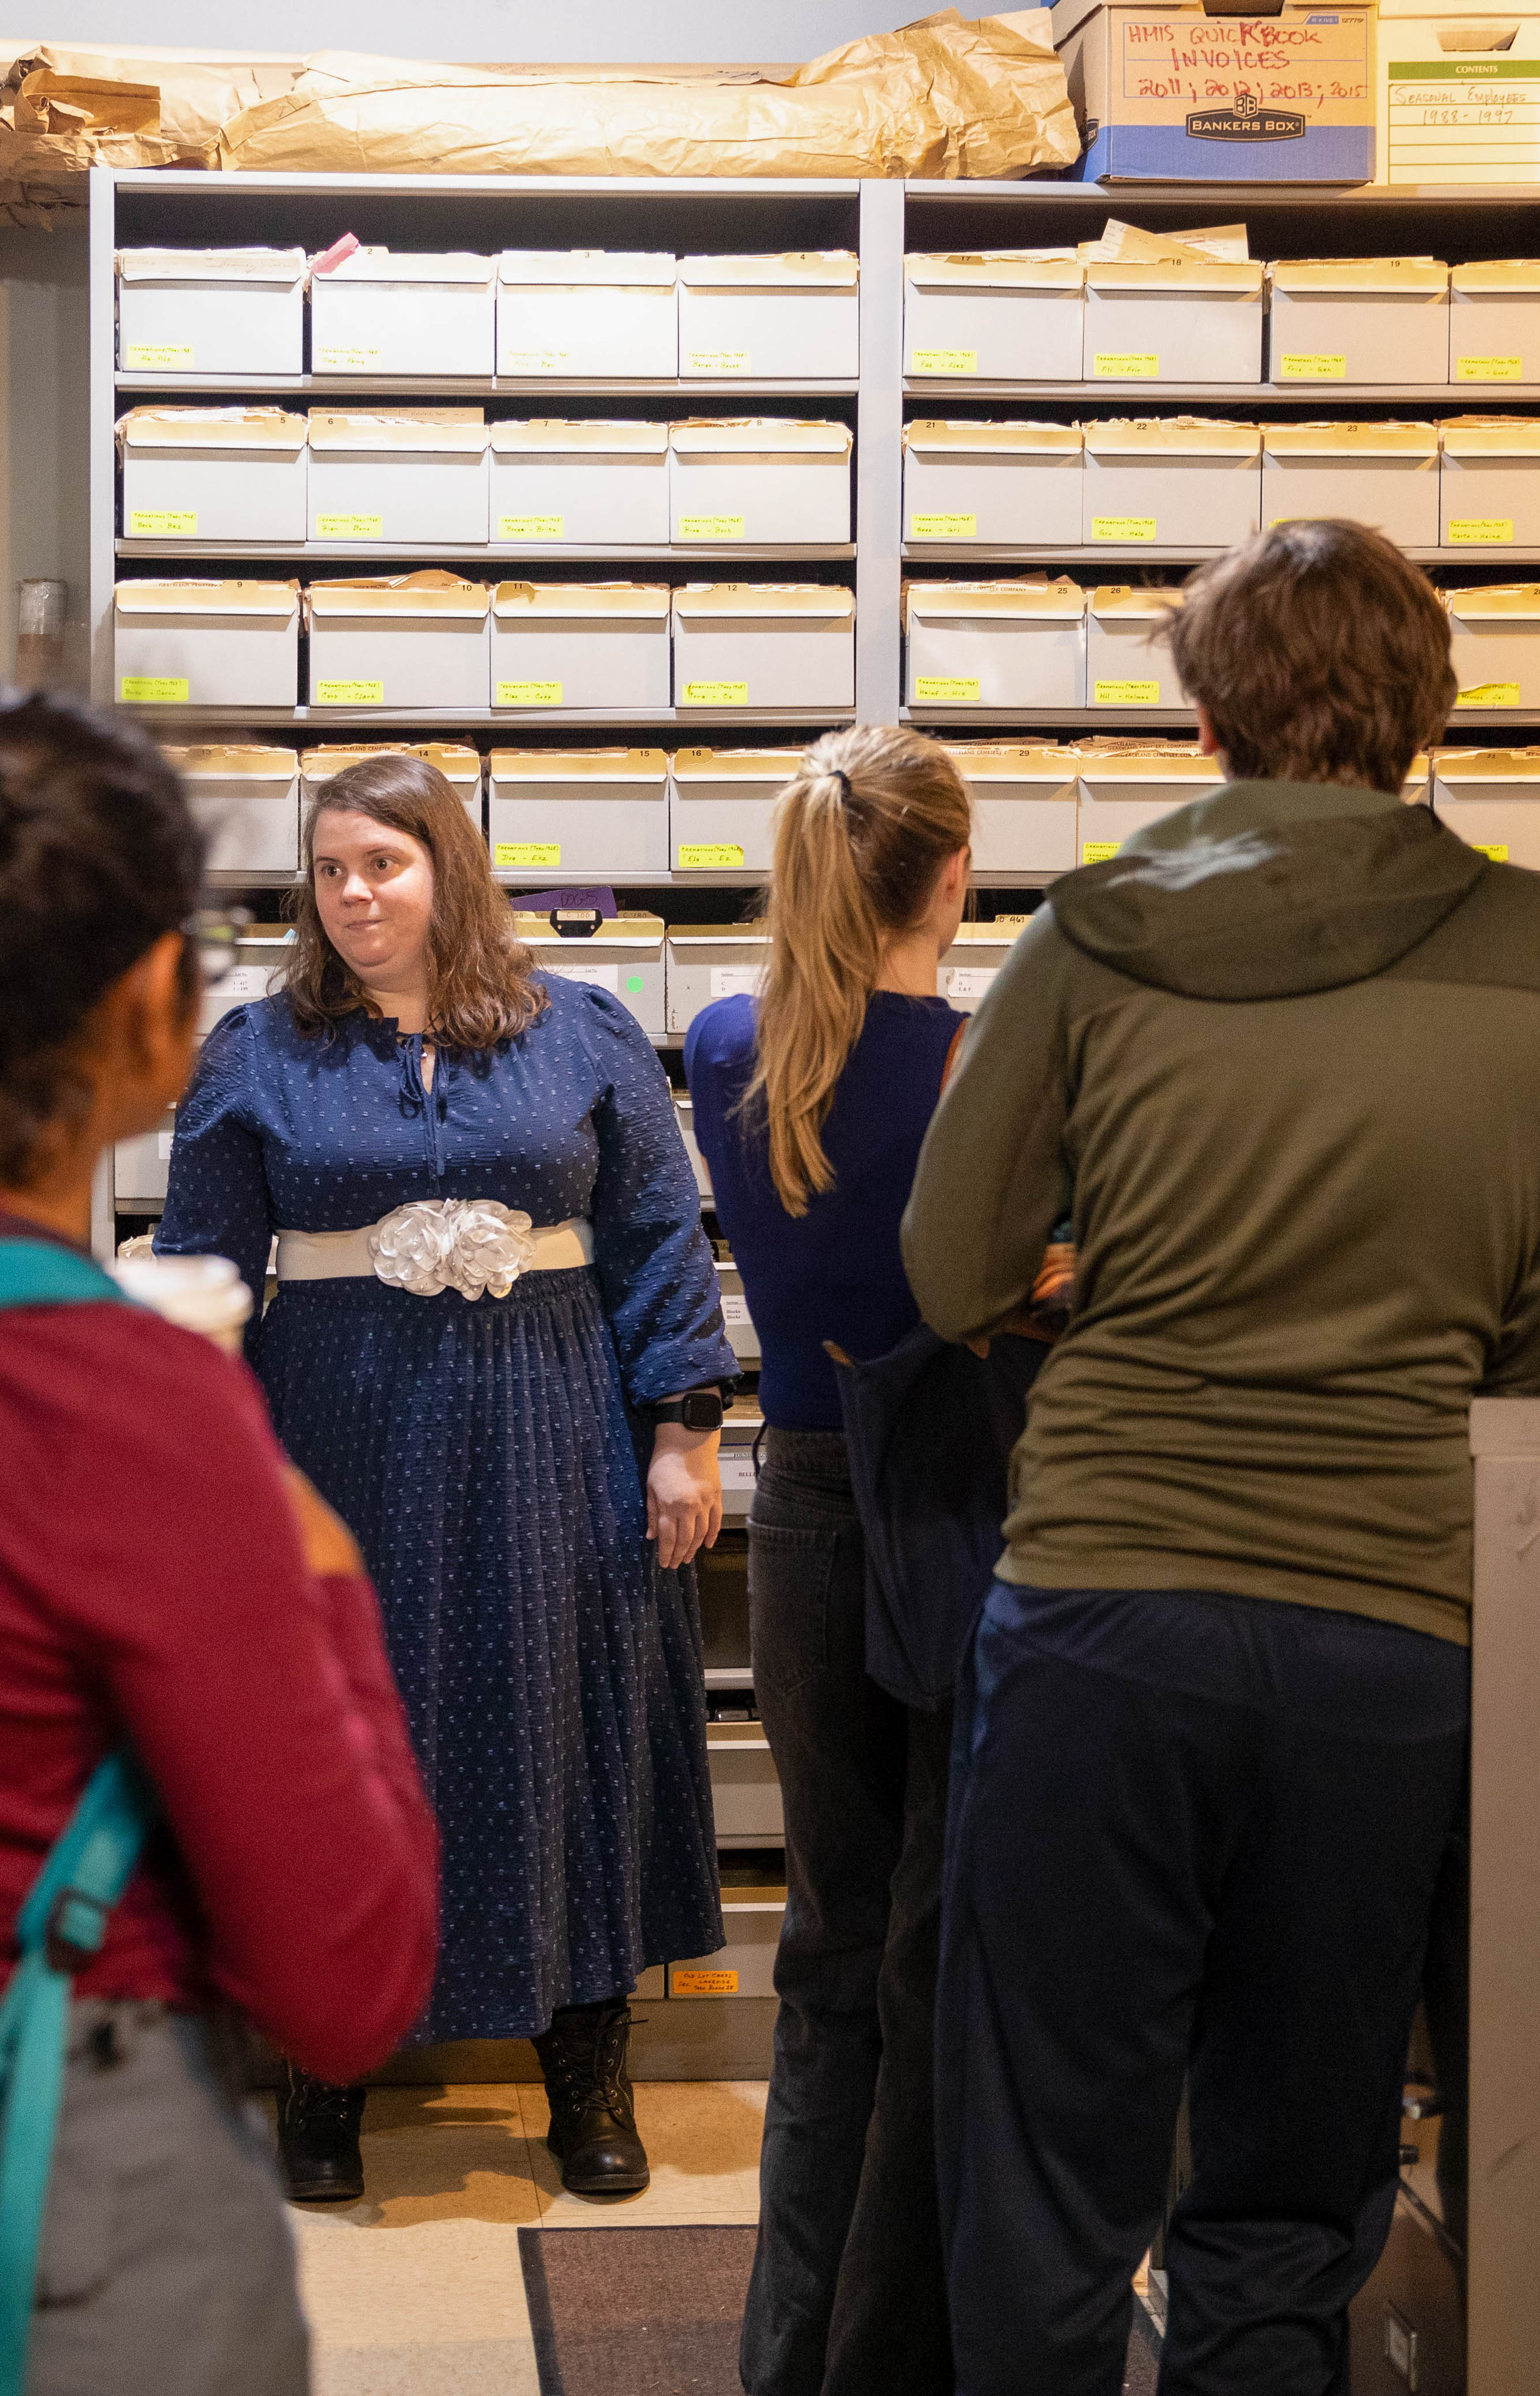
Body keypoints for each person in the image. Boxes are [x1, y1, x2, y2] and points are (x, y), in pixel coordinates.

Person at [903, 518, 1540, 2394]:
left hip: (1102, 1614)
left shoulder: (1094, 933)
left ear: (1207, 700)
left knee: (1049, 2177)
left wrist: (1095, 1273)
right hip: (1386, 1635)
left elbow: (947, 1265)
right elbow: (1535, 1332)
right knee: (1291, 2183)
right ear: (1426, 703)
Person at [0, 673, 438, 2393]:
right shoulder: (126, 1407)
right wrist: (320, 1566)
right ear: (160, 1007)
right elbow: (348, 1977)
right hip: (38, 2202)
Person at [157, 752, 733, 2207]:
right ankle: (322, 2077)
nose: (355, 895)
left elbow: (659, 1234)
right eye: (332, 870)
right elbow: (205, 1272)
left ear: (449, 868)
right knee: (344, 1738)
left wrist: (683, 1426)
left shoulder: (581, 1033)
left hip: (551, 1421)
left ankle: (584, 2078)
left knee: (567, 1722)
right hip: (339, 1432)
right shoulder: (256, 1050)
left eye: (385, 865)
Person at [681, 724, 972, 2396]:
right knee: (937, 1959)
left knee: (828, 1958)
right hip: (951, 1515)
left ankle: (783, 2354)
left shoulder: (733, 1040)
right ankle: (892, 2358)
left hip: (796, 1505)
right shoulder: (974, 1061)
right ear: (951, 870)